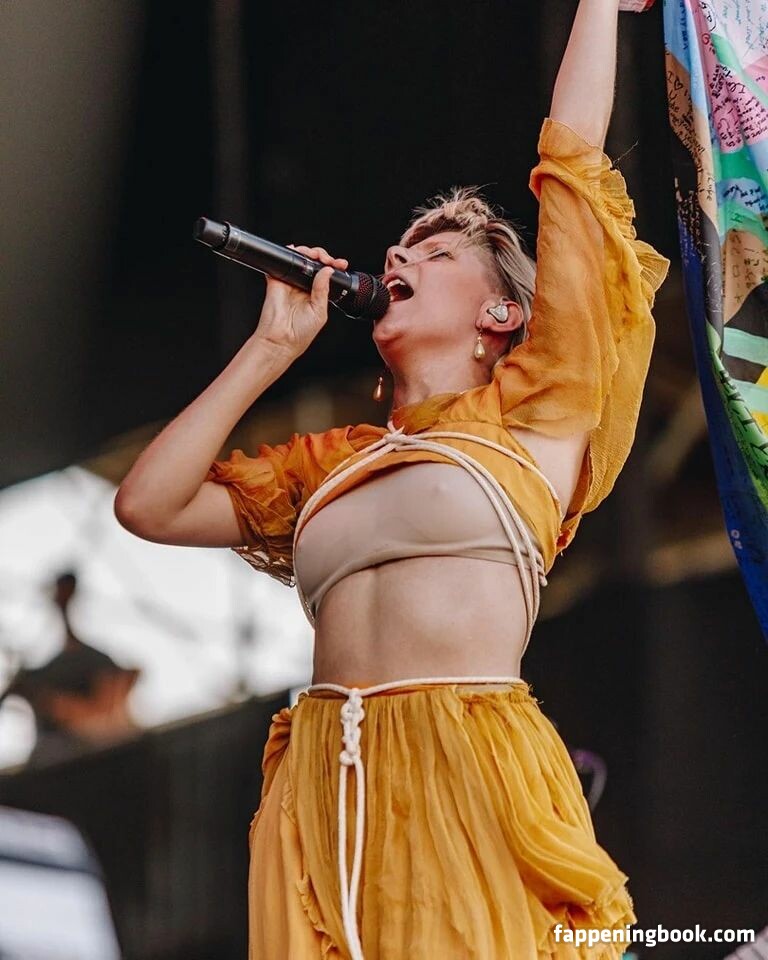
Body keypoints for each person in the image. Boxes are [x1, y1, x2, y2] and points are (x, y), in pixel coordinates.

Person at [115, 1, 670, 955]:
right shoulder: (334, 463)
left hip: (463, 758)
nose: (397, 257)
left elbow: (574, 161)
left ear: (501, 314)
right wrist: (270, 347)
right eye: (398, 251)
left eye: (434, 253)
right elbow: (148, 504)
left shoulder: (537, 410)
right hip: (322, 784)